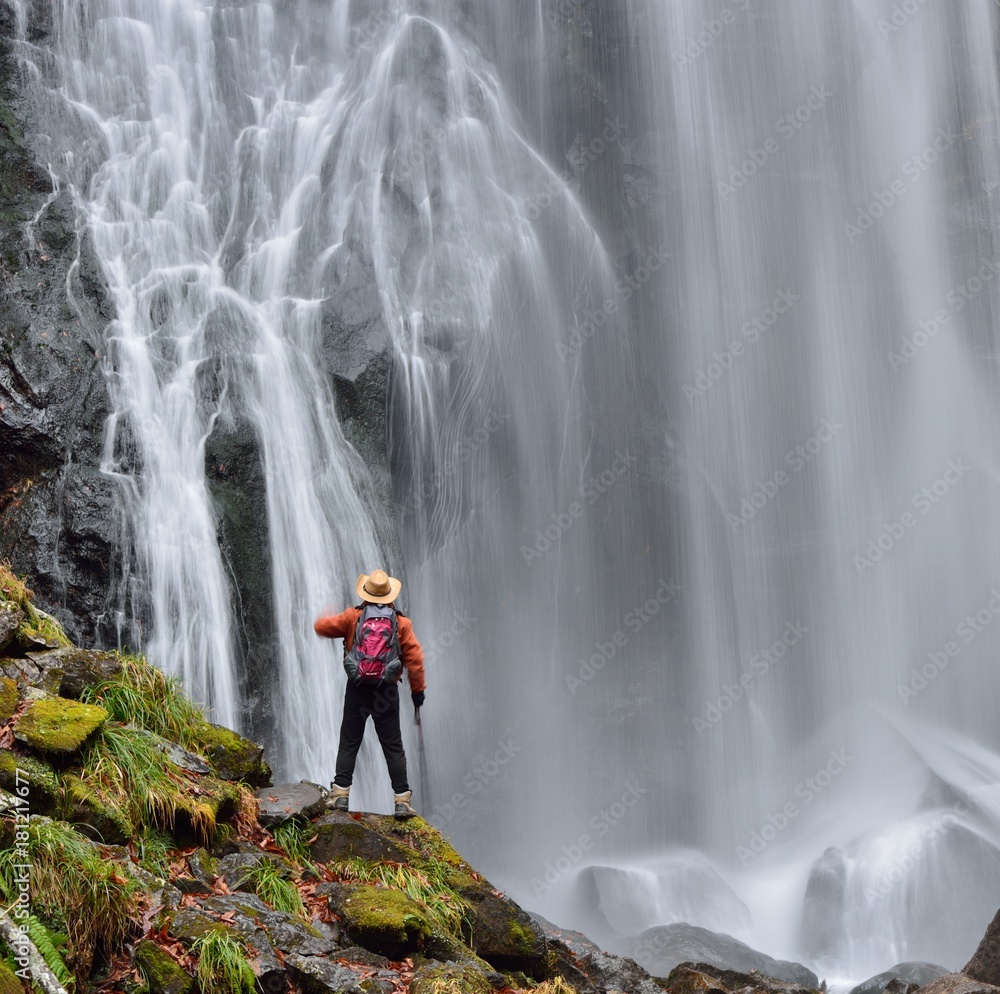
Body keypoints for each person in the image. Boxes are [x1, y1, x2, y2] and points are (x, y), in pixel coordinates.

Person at [314, 569, 426, 819]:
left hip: (357, 689)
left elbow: (321, 627)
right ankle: (401, 801)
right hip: (386, 692)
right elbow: (415, 661)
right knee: (393, 746)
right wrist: (417, 693)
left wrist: (325, 612)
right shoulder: (402, 624)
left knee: (349, 740)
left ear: (365, 593)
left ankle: (340, 795)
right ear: (389, 595)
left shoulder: (352, 617)